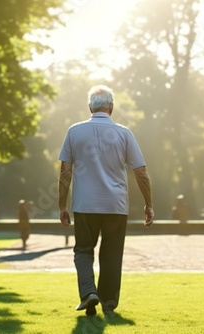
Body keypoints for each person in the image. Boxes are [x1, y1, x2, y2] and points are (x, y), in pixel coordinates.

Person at [58, 84, 154, 316]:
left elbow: (65, 172)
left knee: (83, 251)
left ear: (90, 106)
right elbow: (140, 172)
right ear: (111, 107)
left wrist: (62, 204)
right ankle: (108, 302)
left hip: (84, 205)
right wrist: (148, 203)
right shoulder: (124, 133)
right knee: (111, 254)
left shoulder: (74, 132)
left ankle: (88, 293)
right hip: (116, 205)